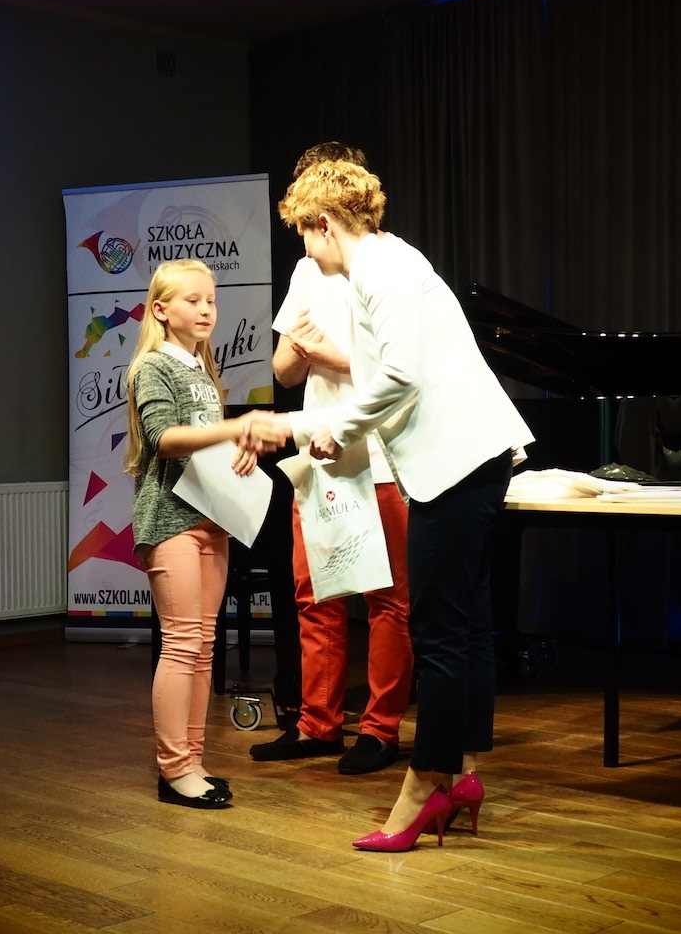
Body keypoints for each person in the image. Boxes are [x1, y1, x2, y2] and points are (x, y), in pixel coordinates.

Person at [271, 161, 535, 850]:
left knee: (440, 634)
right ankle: (462, 773)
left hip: (454, 463)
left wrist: (337, 428)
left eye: (304, 236)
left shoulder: (380, 270)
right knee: (467, 629)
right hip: (470, 457)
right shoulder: (394, 259)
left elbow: (397, 376)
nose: (307, 252)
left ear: (324, 224)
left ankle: (422, 789)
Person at [250, 143, 413, 776]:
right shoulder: (306, 272)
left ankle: (380, 728)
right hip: (317, 450)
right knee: (314, 593)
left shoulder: (387, 264)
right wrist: (303, 349)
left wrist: (329, 353)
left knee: (386, 598)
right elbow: (283, 369)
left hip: (379, 452)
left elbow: (397, 370)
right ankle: (318, 723)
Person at [124, 259, 285, 809]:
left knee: (203, 645)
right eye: (192, 300)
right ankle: (174, 770)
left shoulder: (201, 366)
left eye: (211, 300)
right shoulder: (153, 366)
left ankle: (192, 763)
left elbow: (202, 441)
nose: (205, 310)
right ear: (160, 310)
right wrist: (237, 425)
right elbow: (165, 437)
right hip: (170, 520)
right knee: (182, 643)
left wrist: (238, 445)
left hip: (211, 519)